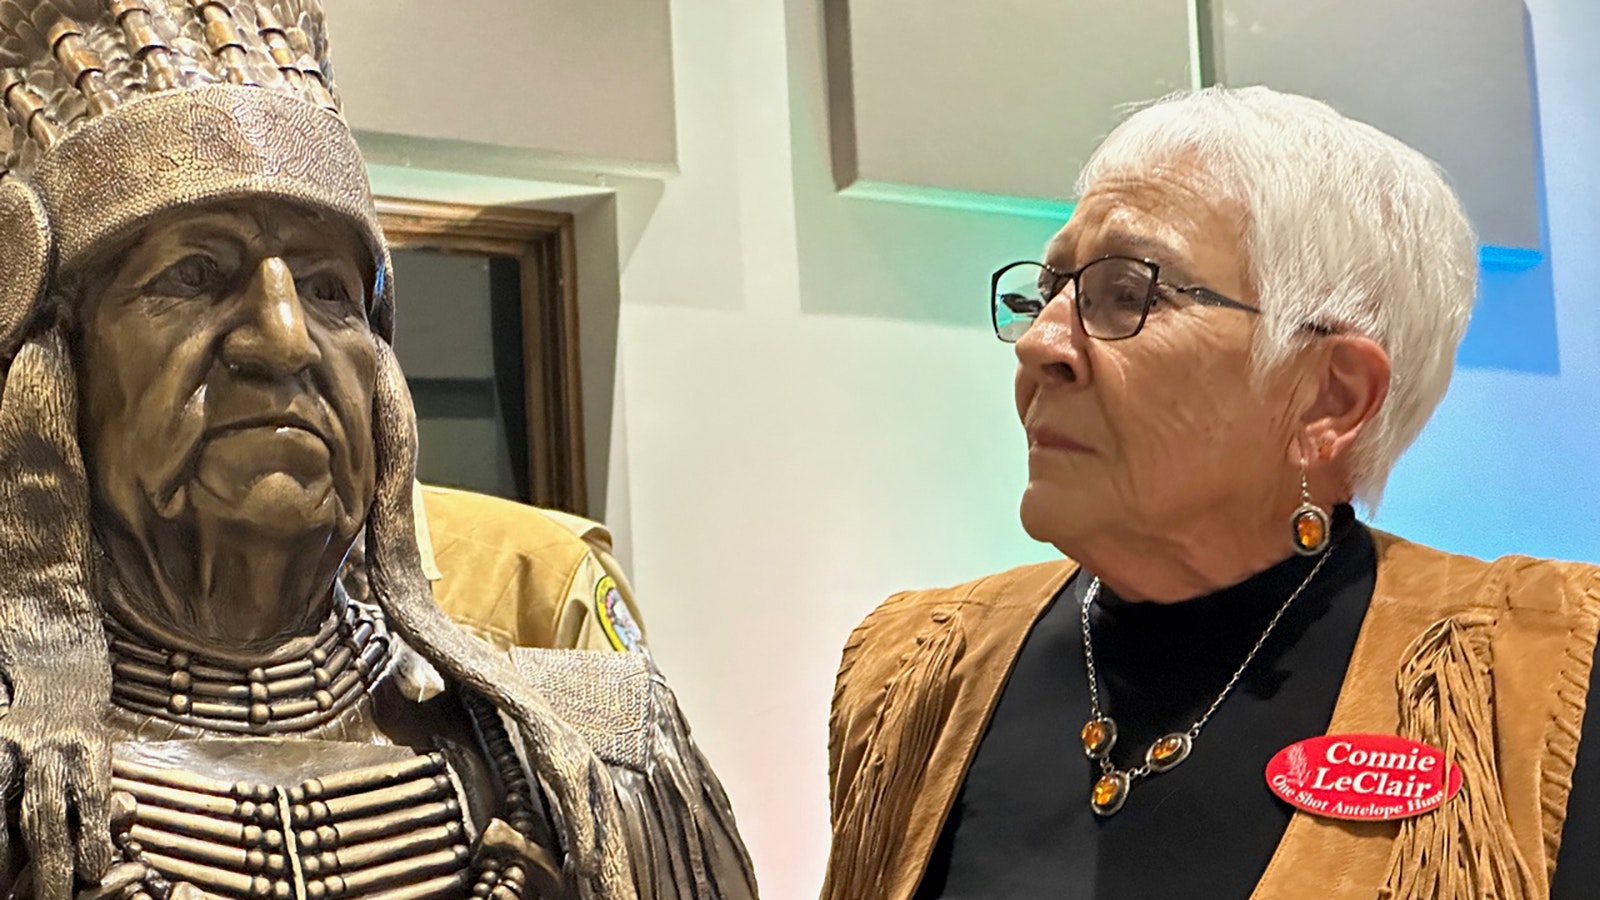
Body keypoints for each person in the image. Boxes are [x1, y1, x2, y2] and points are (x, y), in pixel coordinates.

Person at [0, 2, 756, 898]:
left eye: (329, 289)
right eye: (194, 275)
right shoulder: (24, 808)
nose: (282, 341)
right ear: (49, 366)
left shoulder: (604, 765)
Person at [824, 86, 1600, 899]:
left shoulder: (1537, 674)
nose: (1043, 343)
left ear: (1329, 400)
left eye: (1129, 293)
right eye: (1047, 292)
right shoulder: (913, 671)